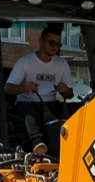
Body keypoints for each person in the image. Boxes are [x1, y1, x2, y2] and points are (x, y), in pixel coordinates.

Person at [5, 23, 72, 151]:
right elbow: (7, 88)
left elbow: (70, 94)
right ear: (41, 41)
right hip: (26, 104)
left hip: (50, 104)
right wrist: (25, 88)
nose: (55, 47)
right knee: (31, 109)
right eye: (52, 43)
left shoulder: (62, 64)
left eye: (58, 44)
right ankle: (38, 143)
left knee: (75, 108)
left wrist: (65, 90)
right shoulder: (25, 62)